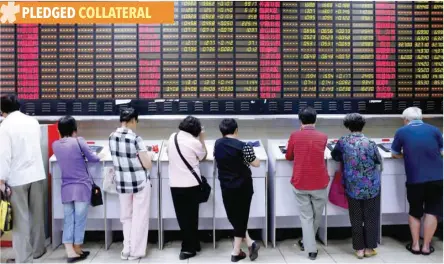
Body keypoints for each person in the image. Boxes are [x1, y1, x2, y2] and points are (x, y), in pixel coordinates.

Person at [0, 95, 47, 263]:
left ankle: (24, 258)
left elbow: (4, 155)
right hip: (36, 174)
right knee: (36, 216)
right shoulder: (33, 122)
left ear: (2, 110)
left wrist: (1, 180)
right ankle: (38, 250)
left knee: (20, 221)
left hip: (17, 177)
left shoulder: (5, 126)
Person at [391, 107, 443, 256]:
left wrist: (407, 156)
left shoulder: (401, 131)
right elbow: (442, 151)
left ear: (406, 119)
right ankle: (426, 246)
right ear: (421, 117)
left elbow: (394, 154)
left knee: (415, 211)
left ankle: (415, 245)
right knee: (432, 211)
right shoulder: (435, 130)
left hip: (415, 178)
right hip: (437, 177)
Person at [52, 116, 105, 262]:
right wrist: (100, 155)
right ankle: (77, 248)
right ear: (74, 128)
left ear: (60, 130)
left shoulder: (55, 145)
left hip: (66, 188)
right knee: (80, 219)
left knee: (69, 218)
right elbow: (93, 158)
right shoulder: (79, 141)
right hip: (81, 186)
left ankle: (71, 250)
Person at [331, 113, 383, 259]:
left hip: (352, 186)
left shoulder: (343, 142)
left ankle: (359, 249)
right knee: (371, 217)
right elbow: (378, 160)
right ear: (363, 125)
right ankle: (369, 248)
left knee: (355, 217)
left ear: (348, 126)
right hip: (371, 186)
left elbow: (335, 155)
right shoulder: (370, 142)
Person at [214, 119, 261, 262]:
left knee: (234, 216)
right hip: (243, 186)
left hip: (226, 185)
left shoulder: (218, 143)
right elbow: (256, 163)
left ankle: (249, 244)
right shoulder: (244, 146)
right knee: (241, 217)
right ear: (236, 130)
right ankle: (236, 252)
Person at [285, 106, 329, 260]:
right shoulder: (323, 136)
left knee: (306, 216)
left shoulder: (295, 136)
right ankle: (308, 242)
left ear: (300, 120)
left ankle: (310, 248)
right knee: (317, 214)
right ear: (315, 120)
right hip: (320, 181)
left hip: (300, 181)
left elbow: (289, 156)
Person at [109, 108, 153, 260]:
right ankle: (136, 252)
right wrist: (150, 156)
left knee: (126, 217)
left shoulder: (111, 137)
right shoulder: (136, 138)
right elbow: (147, 164)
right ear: (133, 120)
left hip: (122, 183)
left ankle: (126, 249)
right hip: (139, 182)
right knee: (139, 217)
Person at [166, 116, 207, 260]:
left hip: (175, 184)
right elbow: (202, 156)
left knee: (182, 218)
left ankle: (192, 243)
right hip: (191, 184)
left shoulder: (173, 137)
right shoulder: (194, 142)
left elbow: (168, 153)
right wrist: (202, 139)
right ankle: (189, 247)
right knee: (192, 217)